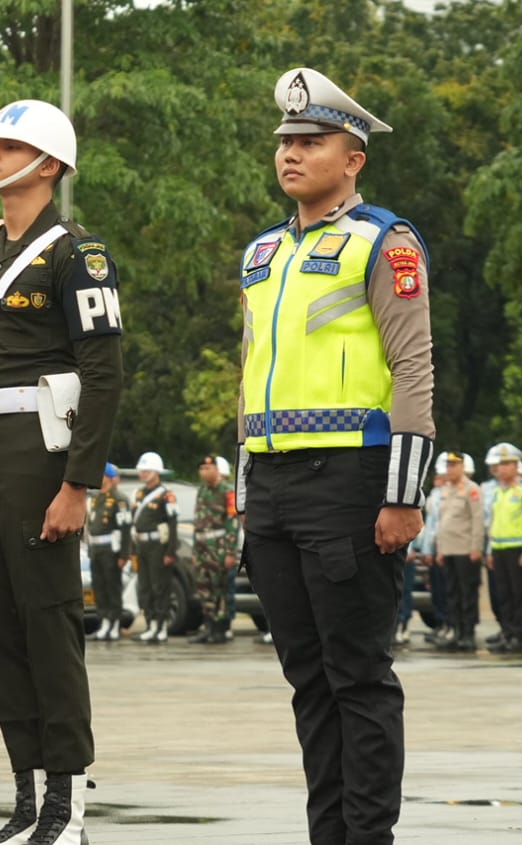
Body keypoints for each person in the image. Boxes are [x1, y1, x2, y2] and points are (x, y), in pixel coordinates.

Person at [237, 67, 435, 845]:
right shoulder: (261, 252)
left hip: (349, 479)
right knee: (308, 680)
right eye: (286, 140)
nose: (291, 153)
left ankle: (368, 836)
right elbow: (250, 374)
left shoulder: (384, 240)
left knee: (358, 675)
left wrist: (404, 493)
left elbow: (413, 367)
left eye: (311, 141)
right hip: (273, 485)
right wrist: (247, 492)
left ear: (353, 158)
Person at [0, 100, 123, 845]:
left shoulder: (77, 255)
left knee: (49, 625)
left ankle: (66, 806)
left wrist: (78, 483)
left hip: (38, 450)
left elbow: (104, 374)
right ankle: (26, 797)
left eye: (9, 145)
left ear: (48, 164)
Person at [483, 442, 522, 655]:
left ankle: (519, 636)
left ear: (516, 466)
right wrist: (489, 551)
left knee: (520, 595)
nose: (502, 468)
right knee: (503, 595)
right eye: (500, 464)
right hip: (499, 549)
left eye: (507, 464)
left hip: (518, 549)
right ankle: (507, 633)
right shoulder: (497, 492)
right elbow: (493, 523)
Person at [423, 453, 483, 653]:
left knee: (467, 594)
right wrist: (440, 549)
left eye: (453, 465)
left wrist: (476, 547)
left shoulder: (472, 489)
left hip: (465, 549)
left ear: (462, 467)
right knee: (452, 594)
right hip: (448, 550)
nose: (449, 469)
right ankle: (456, 632)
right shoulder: (445, 490)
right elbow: (441, 522)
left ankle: (468, 634)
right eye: (448, 465)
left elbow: (477, 520)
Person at [190, 454, 241, 645]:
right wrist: (195, 551)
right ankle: (208, 626)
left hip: (218, 547)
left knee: (219, 588)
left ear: (217, 470)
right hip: (202, 547)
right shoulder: (202, 490)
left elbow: (232, 523)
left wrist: (230, 552)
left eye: (208, 468)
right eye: (201, 469)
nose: (204, 472)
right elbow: (198, 522)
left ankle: (220, 629)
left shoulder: (227, 491)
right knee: (204, 588)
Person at [130, 451, 179, 643]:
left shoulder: (166, 495)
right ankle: (150, 625)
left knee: (160, 587)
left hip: (158, 546)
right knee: (145, 587)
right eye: (141, 470)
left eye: (146, 470)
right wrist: (133, 550)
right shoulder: (138, 493)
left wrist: (170, 551)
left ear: (156, 471)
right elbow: (133, 524)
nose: (142, 474)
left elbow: (173, 524)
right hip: (141, 545)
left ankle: (161, 626)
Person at [86, 461, 130, 641]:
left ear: (110, 478)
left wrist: (124, 554)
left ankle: (115, 623)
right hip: (96, 549)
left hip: (111, 549)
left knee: (112, 587)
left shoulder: (119, 499)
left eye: (102, 475)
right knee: (99, 587)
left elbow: (125, 528)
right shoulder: (96, 498)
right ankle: (104, 620)